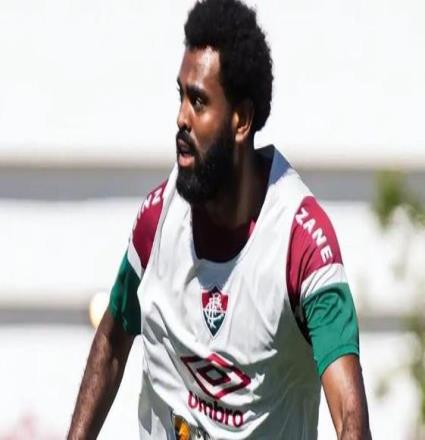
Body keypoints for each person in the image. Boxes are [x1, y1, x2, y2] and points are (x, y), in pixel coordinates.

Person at [68, 0, 371, 438]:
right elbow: (112, 342)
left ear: (241, 120)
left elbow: (350, 417)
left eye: (198, 101)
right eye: (180, 96)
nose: (181, 118)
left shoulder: (302, 244)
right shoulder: (158, 219)